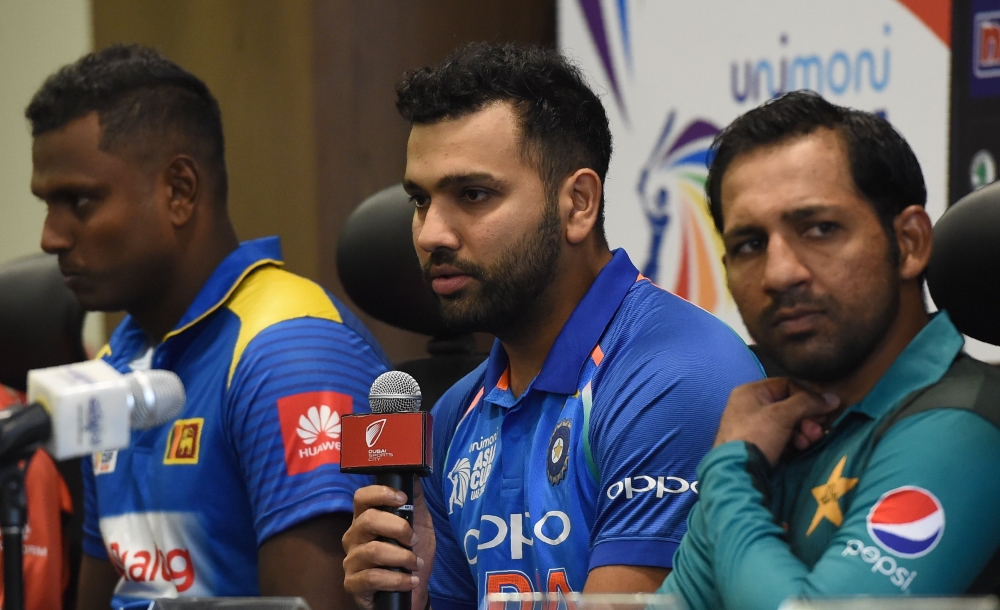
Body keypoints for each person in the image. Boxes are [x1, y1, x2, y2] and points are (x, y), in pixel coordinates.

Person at [341, 42, 763, 610]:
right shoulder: (453, 415)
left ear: (578, 203)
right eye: (421, 200)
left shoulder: (673, 380)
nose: (430, 234)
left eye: (472, 195)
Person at [27, 44, 389, 610]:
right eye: (47, 205)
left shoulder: (288, 354)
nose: (51, 237)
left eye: (78, 201)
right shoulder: (113, 367)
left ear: (179, 191)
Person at [658, 91, 1000, 609]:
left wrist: (727, 473)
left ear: (908, 243)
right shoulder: (767, 438)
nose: (779, 273)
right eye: (750, 244)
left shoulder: (966, 425)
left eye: (819, 229)